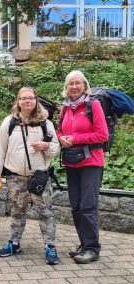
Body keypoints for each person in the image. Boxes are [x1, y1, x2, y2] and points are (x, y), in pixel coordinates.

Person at [0, 87, 60, 265]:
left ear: (36, 100)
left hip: (39, 177)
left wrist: (46, 146)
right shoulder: (10, 122)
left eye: (30, 98)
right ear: (18, 101)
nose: (27, 101)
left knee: (45, 212)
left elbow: (56, 149)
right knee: (17, 211)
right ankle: (14, 243)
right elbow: (0, 149)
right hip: (15, 177)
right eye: (23, 98)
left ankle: (50, 246)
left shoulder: (46, 123)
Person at [57, 70, 108, 264]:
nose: (74, 87)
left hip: (91, 162)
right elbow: (60, 129)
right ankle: (84, 243)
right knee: (76, 207)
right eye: (71, 84)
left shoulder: (93, 105)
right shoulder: (66, 107)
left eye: (78, 83)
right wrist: (61, 137)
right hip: (72, 162)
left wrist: (76, 139)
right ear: (66, 87)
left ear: (85, 86)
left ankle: (92, 248)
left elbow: (102, 135)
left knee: (88, 206)